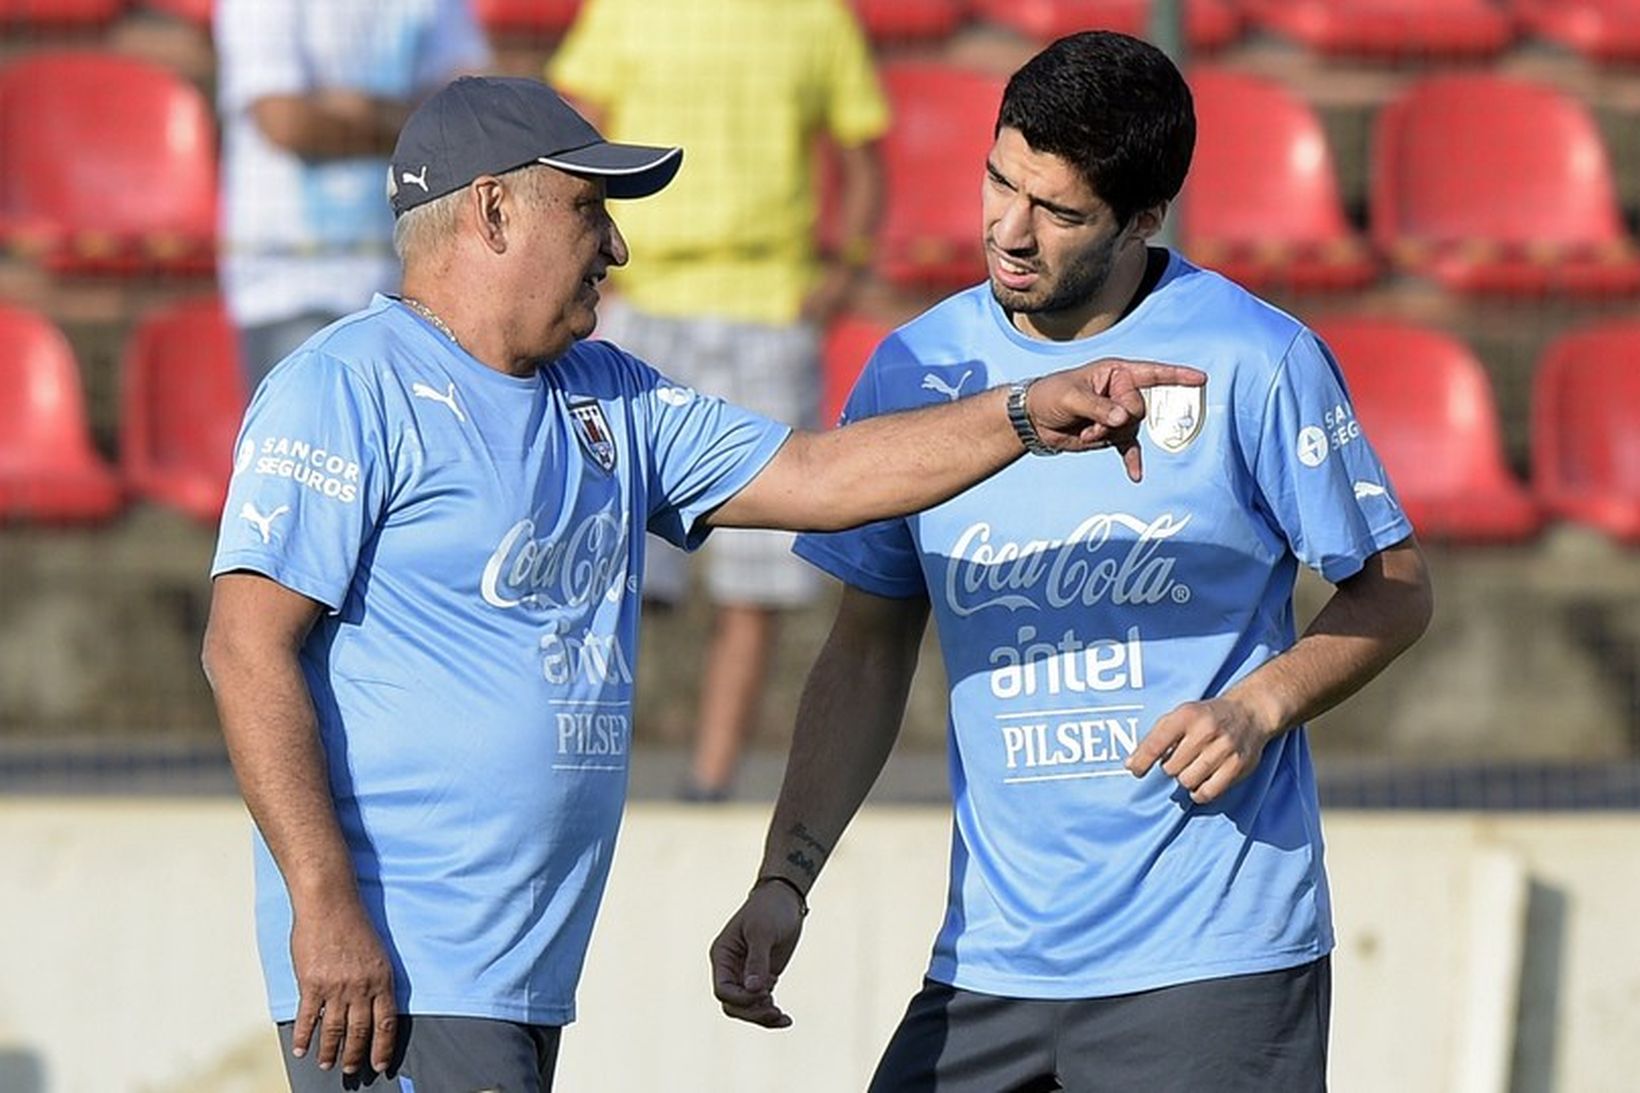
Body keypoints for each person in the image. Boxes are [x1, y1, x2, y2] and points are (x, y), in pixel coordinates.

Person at [199, 74, 1204, 1092]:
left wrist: (1026, 413)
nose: (617, 245)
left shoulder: (609, 394)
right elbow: (244, 647)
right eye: (589, 209)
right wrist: (324, 906)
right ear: (492, 211)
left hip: (515, 981)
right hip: (397, 969)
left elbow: (819, 474)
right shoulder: (343, 385)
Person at [710, 31, 1434, 1093]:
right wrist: (786, 875)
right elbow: (866, 646)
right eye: (999, 181)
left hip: (1209, 964)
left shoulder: (1253, 358)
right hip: (987, 967)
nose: (1008, 230)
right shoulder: (916, 367)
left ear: (1142, 219)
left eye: (1056, 211)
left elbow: (1396, 590)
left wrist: (1256, 706)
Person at [548, 0, 890, 801]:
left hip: (752, 305)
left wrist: (846, 267)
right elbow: (572, 133)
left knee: (752, 576)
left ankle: (708, 775)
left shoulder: (811, 17)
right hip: (647, 300)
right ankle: (595, 769)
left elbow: (865, 156)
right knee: (603, 561)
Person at [214, 0, 490, 391]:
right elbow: (286, 122)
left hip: (408, 283)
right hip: (290, 277)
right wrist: (413, 123)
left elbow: (468, 112)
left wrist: (356, 110)